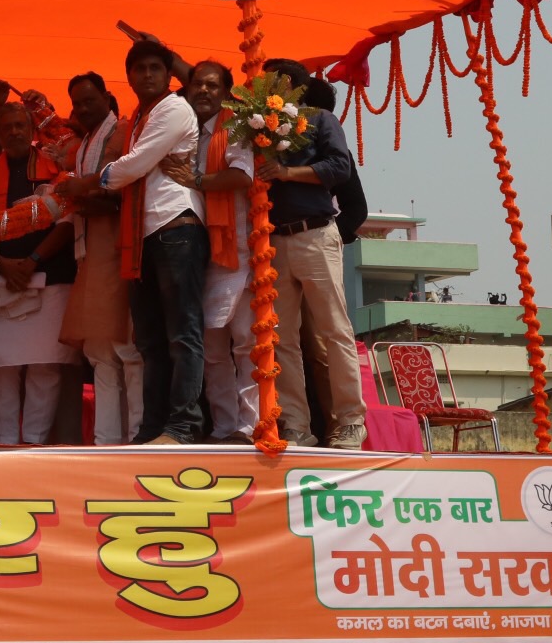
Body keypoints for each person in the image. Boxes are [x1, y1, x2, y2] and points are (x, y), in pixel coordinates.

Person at [62, 39, 204, 445]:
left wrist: (86, 183)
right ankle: (152, 428)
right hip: (143, 235)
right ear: (128, 78)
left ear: (167, 73)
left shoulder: (174, 109)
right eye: (138, 69)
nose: (146, 75)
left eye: (154, 68)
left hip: (177, 226)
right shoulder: (141, 116)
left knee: (183, 333)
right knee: (150, 339)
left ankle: (182, 426)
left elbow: (134, 166)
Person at [258, 58, 365, 450]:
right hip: (274, 239)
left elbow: (339, 167)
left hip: (316, 233)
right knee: (281, 337)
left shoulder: (320, 119)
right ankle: (296, 426)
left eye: (268, 79)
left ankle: (352, 421)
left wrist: (286, 173)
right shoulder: (256, 125)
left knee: (334, 331)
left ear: (288, 83)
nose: (262, 85)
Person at [58, 71, 144, 445]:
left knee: (127, 346)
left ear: (107, 97)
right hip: (90, 251)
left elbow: (133, 188)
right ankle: (107, 440)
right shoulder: (83, 144)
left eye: (89, 100)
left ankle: (138, 435)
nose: (82, 109)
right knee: (99, 349)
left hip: (119, 246)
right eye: (77, 103)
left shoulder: (125, 132)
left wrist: (87, 196)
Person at [0, 101, 75, 444]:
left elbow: (67, 222)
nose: (15, 132)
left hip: (51, 276)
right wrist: (2, 263)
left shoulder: (57, 164)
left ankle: (34, 443)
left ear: (33, 130)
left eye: (21, 125)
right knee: (4, 369)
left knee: (45, 368)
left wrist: (33, 259)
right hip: (3, 279)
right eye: (6, 127)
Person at [184, 60, 258, 443]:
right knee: (212, 349)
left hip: (238, 250)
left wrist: (196, 181)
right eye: (198, 84)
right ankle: (225, 426)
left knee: (246, 342)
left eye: (213, 85)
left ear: (227, 93)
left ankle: (250, 426)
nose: (204, 91)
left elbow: (240, 175)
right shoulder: (185, 132)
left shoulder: (234, 129)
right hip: (200, 253)